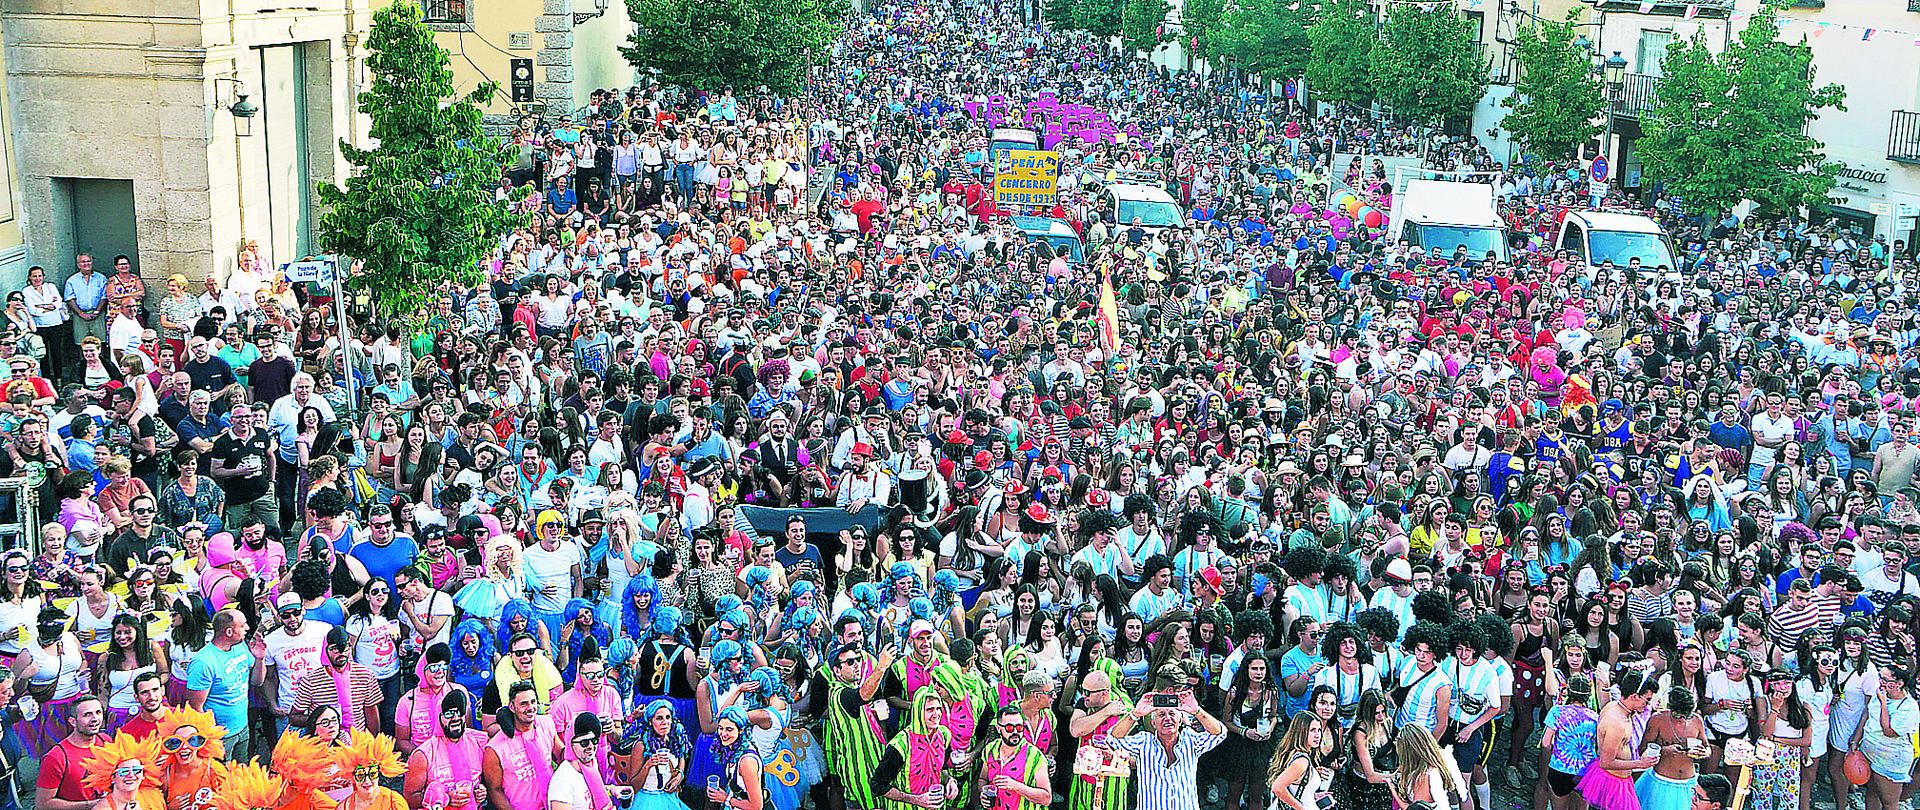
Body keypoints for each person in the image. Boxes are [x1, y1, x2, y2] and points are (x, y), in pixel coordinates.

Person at [1107, 686, 1225, 810]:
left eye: (1172, 713)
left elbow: (1219, 733)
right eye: (1161, 714)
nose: (1167, 718)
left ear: (1180, 721)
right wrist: (1135, 714)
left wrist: (1197, 711)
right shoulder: (1144, 742)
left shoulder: (1191, 740)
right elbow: (1113, 738)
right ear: (1153, 723)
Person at [185, 608, 265, 762]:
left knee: (241, 773)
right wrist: (211, 739)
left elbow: (257, 682)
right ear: (229, 632)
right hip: (220, 737)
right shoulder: (203, 663)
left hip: (243, 727)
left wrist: (260, 659)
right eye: (242, 626)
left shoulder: (240, 647)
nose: (247, 629)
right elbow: (195, 708)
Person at [1580, 669, 1661, 810]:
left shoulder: (1618, 708)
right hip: (1612, 783)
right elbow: (1606, 762)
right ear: (1635, 696)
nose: (1647, 705)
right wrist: (1640, 764)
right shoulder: (1616, 722)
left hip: (1621, 780)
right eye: (1647, 700)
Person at [402, 689, 487, 810]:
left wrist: (482, 791)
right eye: (448, 714)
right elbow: (410, 798)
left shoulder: (479, 742)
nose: (455, 717)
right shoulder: (423, 755)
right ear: (439, 717)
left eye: (459, 712)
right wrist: (445, 799)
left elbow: (488, 781)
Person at [481, 681, 560, 810]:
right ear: (511, 707)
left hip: (552, 804)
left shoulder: (547, 723)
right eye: (523, 704)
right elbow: (494, 790)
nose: (530, 708)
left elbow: (560, 754)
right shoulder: (495, 748)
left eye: (533, 702)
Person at [34, 694, 107, 810]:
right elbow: (42, 804)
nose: (95, 719)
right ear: (73, 721)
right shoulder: (56, 757)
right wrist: (91, 805)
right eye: (87, 715)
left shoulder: (106, 741)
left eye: (98, 712)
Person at [332, 734, 410, 810]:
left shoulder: (394, 802)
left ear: (379, 774)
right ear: (352, 777)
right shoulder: (344, 807)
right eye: (360, 775)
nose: (367, 781)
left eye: (372, 774)